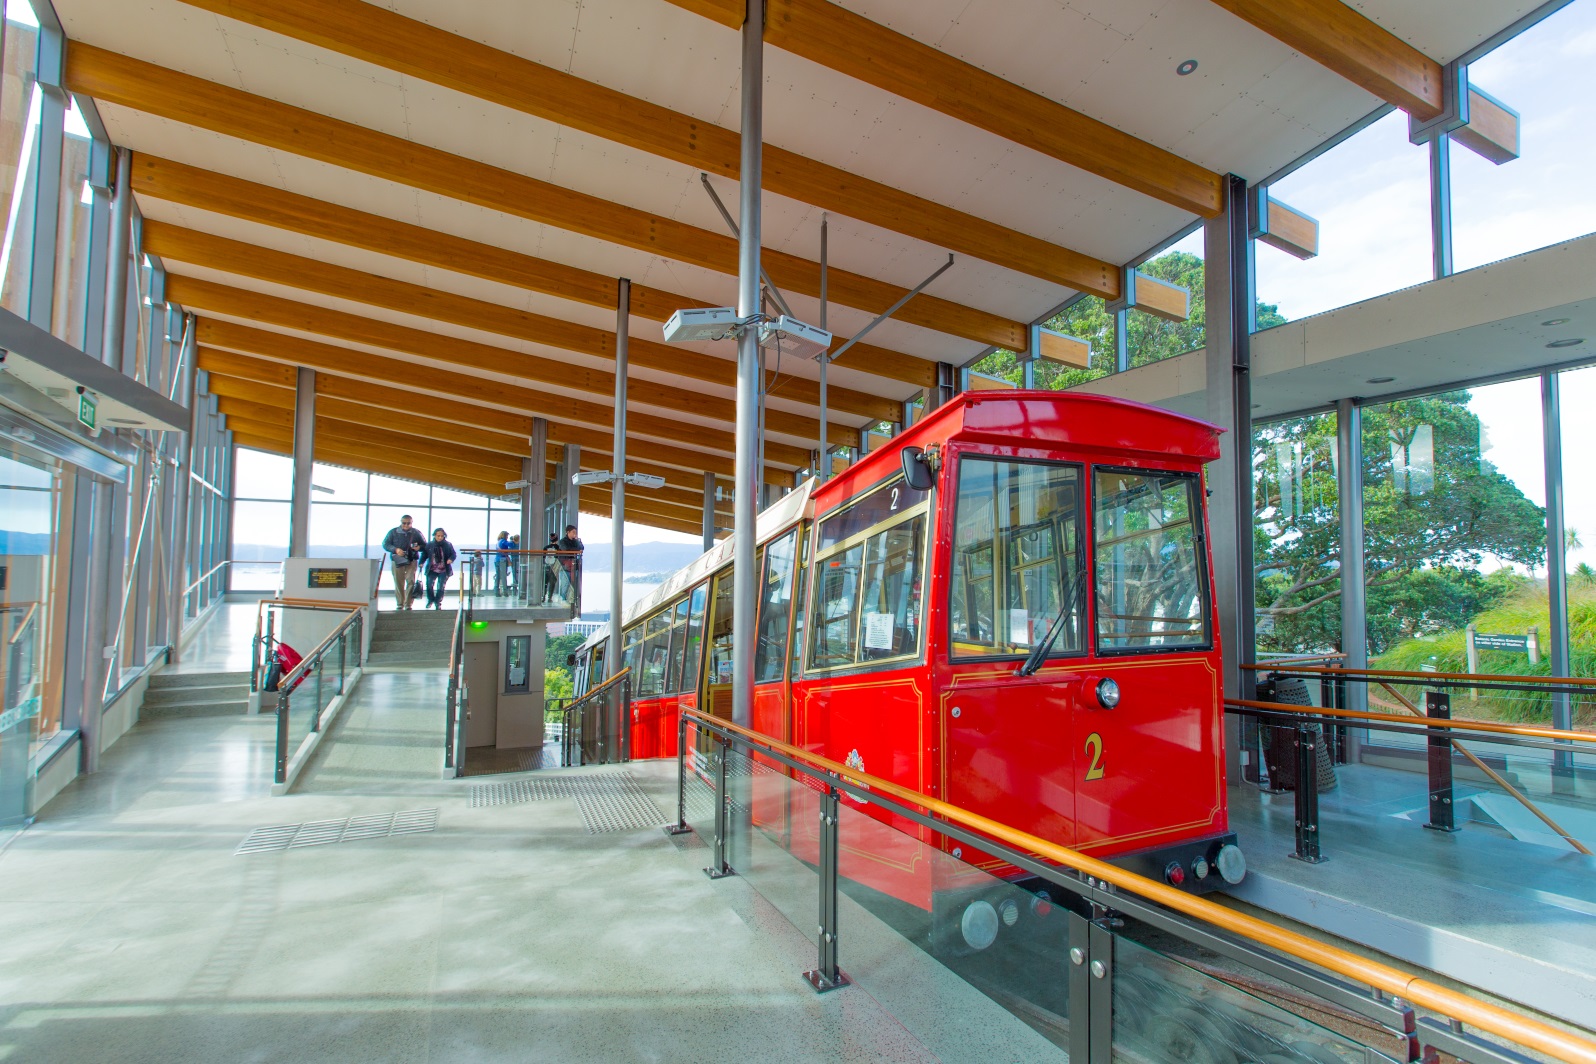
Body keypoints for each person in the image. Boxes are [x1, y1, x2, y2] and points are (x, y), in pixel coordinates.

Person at [380, 514, 425, 610]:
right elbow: (385, 544)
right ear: (401, 523)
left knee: (410, 581)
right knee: (398, 582)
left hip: (411, 559)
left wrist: (419, 547)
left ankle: (408, 603)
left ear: (411, 523)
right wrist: (395, 549)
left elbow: (424, 545)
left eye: (408, 523)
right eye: (404, 523)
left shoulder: (416, 533)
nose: (406, 525)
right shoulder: (393, 532)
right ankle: (400, 603)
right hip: (397, 560)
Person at [422, 527, 458, 610]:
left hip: (444, 569)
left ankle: (438, 602)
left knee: (441, 586)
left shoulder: (448, 544)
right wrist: (421, 562)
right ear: (435, 536)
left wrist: (450, 559)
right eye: (438, 536)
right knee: (429, 585)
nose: (440, 537)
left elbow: (453, 554)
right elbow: (425, 554)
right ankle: (430, 600)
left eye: (442, 536)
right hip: (432, 568)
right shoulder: (430, 544)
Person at [557, 524, 584, 606]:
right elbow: (566, 549)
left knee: (573, 584)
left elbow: (581, 548)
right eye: (573, 532)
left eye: (575, 532)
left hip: (574, 566)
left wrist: (577, 541)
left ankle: (571, 600)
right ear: (568, 532)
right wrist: (575, 549)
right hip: (565, 566)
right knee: (565, 584)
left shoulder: (575, 541)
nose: (574, 534)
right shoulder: (562, 541)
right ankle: (562, 599)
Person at [543, 531, 561, 604]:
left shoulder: (545, 548)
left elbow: (543, 557)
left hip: (546, 565)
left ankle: (543, 596)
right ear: (556, 540)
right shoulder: (559, 548)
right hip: (554, 566)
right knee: (552, 582)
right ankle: (550, 597)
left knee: (545, 582)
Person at [493, 530, 512, 595]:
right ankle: (505, 592)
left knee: (498, 576)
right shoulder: (503, 541)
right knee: (503, 576)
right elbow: (510, 544)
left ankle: (496, 591)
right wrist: (513, 541)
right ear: (505, 536)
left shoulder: (498, 542)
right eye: (507, 536)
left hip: (496, 560)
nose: (507, 538)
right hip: (502, 560)